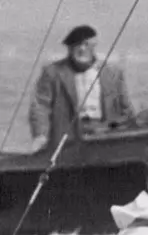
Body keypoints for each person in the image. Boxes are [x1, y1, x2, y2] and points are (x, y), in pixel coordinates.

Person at [29, 25, 135, 153]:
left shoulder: (112, 73)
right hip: (68, 141)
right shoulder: (53, 73)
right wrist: (40, 135)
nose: (81, 49)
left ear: (93, 46)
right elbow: (40, 106)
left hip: (105, 136)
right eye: (76, 45)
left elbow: (126, 109)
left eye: (86, 44)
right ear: (69, 48)